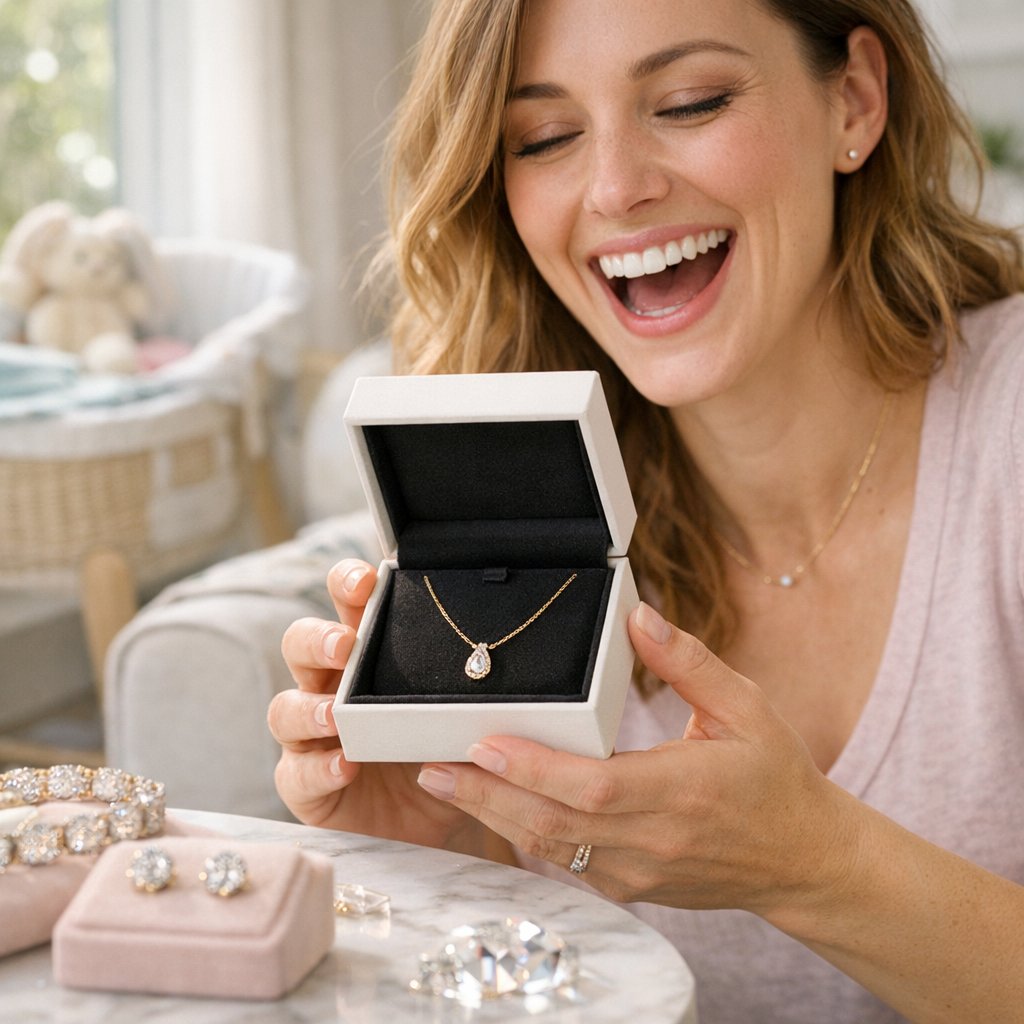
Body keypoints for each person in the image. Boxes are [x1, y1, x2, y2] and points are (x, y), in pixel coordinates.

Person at [267, 0, 1024, 1020]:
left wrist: (811, 862)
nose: (616, 188)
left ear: (852, 100)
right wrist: (433, 854)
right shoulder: (494, 537)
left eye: (690, 102)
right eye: (545, 137)